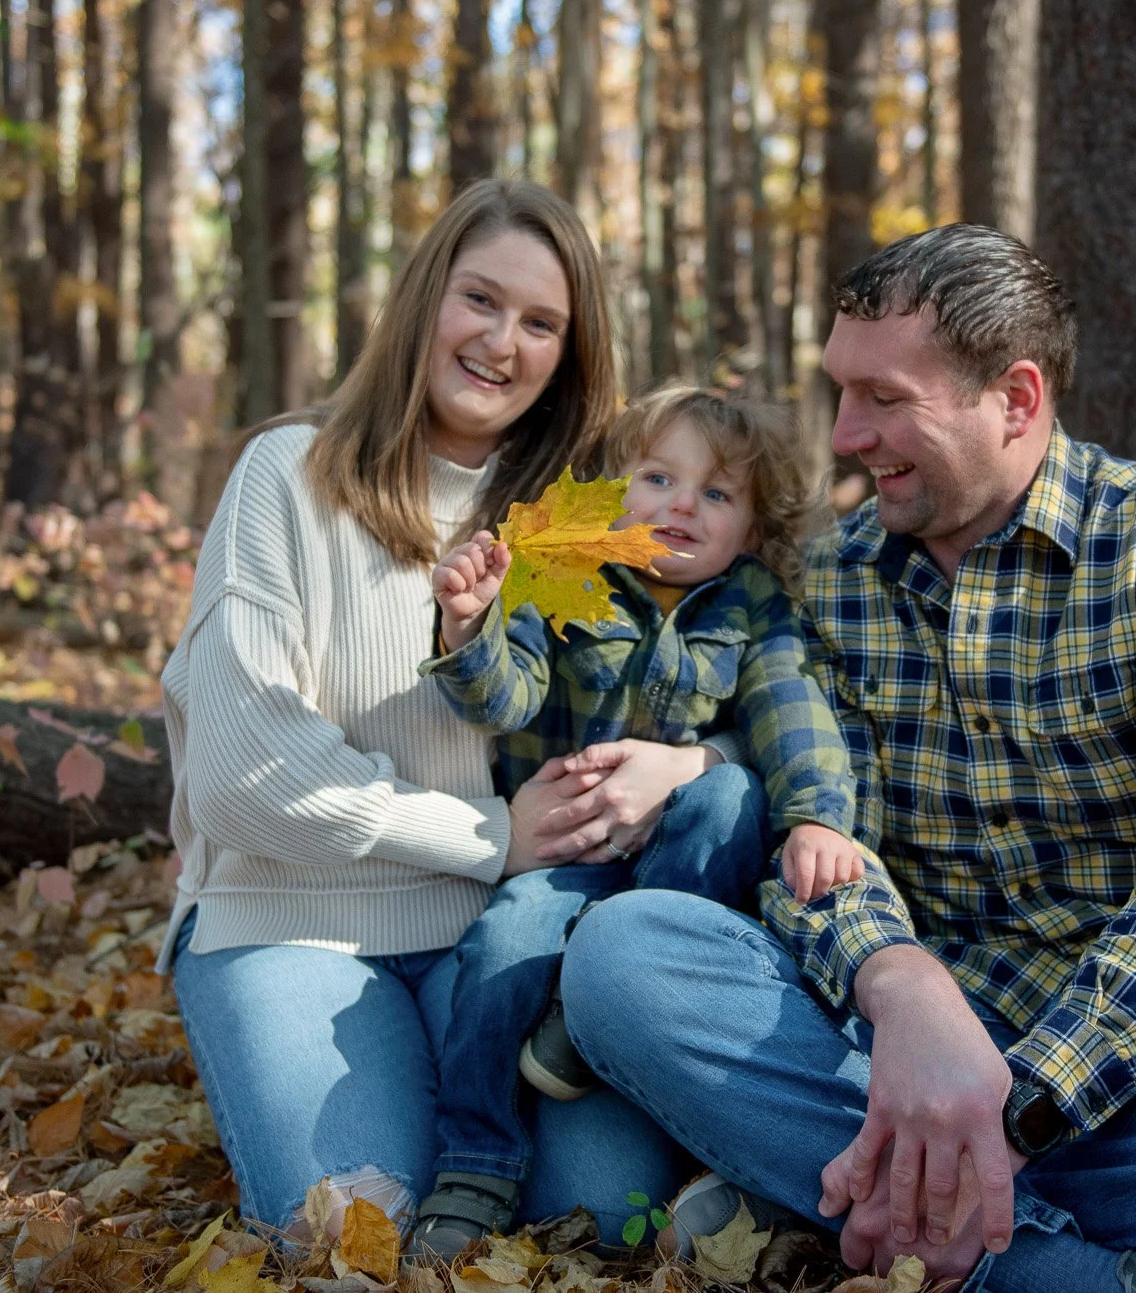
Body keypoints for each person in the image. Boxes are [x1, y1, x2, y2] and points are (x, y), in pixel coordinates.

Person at [559, 224, 1136, 1293]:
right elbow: (821, 837)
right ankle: (1103, 1271)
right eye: (839, 393)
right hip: (894, 1055)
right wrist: (897, 983)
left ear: (1016, 397)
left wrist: (1019, 1109)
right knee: (624, 953)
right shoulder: (827, 576)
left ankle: (862, 1209)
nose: (847, 433)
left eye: (885, 399)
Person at [158, 180, 717, 1246]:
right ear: (425, 301)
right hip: (290, 921)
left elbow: (738, 667)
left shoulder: (581, 522)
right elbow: (242, 772)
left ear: (569, 350)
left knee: (599, 1212)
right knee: (355, 1222)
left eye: (541, 322)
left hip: (496, 943)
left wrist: (688, 768)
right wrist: (487, 835)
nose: (502, 342)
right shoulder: (287, 475)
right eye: (480, 300)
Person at [410, 386, 865, 1257]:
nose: (682, 504)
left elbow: (791, 710)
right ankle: (474, 1157)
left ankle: (603, 1009)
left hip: (679, 883)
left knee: (732, 795)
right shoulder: (567, 579)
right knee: (507, 940)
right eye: (658, 477)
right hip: (570, 856)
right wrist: (470, 627)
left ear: (752, 528)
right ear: (614, 489)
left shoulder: (752, 604)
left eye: (718, 494)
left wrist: (817, 819)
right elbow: (508, 699)